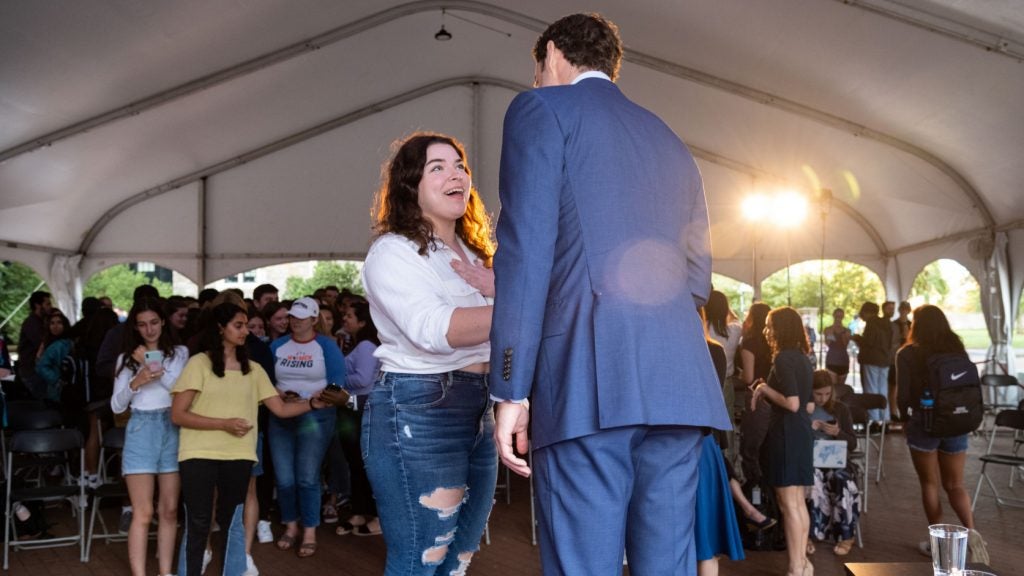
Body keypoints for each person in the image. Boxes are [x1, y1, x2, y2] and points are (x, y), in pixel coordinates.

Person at [487, 13, 730, 574]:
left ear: (551, 55)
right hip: (679, 384)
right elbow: (698, 277)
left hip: (587, 380)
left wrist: (511, 389)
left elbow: (525, 255)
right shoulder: (668, 136)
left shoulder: (540, 110)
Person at [361, 132, 497, 575]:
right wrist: (524, 306)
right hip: (419, 408)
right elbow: (435, 330)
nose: (454, 173)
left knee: (458, 558)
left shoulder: (478, 255)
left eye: (459, 166)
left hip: (480, 405)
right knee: (422, 558)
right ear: (410, 186)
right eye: (436, 167)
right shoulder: (393, 251)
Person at [171, 302, 331, 576]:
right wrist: (224, 424)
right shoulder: (199, 363)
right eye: (239, 325)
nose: (246, 331)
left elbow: (280, 408)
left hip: (239, 455)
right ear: (221, 328)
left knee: (233, 522)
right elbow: (178, 414)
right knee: (199, 522)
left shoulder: (253, 369)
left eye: (246, 325)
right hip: (198, 454)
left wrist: (314, 404)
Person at [896, 304, 989, 564]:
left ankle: (939, 547)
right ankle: (971, 532)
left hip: (924, 424)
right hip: (957, 421)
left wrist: (904, 419)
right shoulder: (955, 348)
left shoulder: (907, 354)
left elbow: (902, 396)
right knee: (956, 484)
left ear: (916, 325)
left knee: (930, 484)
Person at [110, 298, 188, 576]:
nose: (149, 329)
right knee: (142, 512)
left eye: (154, 322)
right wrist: (135, 382)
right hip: (141, 427)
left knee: (168, 511)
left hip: (172, 425)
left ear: (164, 321)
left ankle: (166, 572)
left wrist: (151, 363)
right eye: (142, 324)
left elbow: (180, 391)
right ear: (135, 327)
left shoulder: (179, 352)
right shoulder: (125, 359)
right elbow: (117, 406)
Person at [268, 297, 346, 558]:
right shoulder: (277, 345)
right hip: (282, 414)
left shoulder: (326, 346)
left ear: (314, 320)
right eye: (292, 316)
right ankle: (291, 526)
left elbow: (337, 383)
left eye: (301, 317)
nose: (295, 321)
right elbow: (265, 380)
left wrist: (314, 401)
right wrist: (281, 393)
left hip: (316, 416)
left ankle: (309, 530)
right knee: (284, 477)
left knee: (306, 476)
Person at [750, 306, 814, 576]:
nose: (765, 331)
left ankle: (795, 567)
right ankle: (803, 564)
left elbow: (792, 403)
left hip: (786, 435)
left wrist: (764, 388)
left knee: (789, 506)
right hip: (800, 432)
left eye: (769, 326)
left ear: (781, 329)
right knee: (797, 503)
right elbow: (808, 407)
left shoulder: (784, 360)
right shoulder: (802, 358)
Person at [322, 299, 382, 537]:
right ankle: (359, 511)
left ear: (362, 321)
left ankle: (376, 515)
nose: (344, 319)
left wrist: (335, 381)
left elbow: (363, 379)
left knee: (363, 464)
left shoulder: (366, 345)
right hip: (352, 408)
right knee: (355, 464)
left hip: (360, 408)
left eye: (349, 316)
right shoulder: (359, 344)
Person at [805, 370, 860, 556]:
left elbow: (853, 444)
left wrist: (838, 433)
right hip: (810, 460)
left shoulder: (840, 409)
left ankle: (846, 535)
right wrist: (807, 429)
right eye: (818, 394)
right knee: (812, 481)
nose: (822, 398)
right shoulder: (804, 409)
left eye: (827, 394)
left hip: (836, 459)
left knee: (842, 480)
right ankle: (809, 534)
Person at [852, 301, 892, 423]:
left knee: (871, 389)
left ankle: (873, 420)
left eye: (862, 312)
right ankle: (885, 418)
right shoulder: (885, 323)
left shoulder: (871, 323)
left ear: (868, 312)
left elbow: (868, 342)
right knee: (883, 389)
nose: (861, 315)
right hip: (884, 360)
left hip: (871, 360)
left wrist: (856, 337)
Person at [16, 290, 52, 398]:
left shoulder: (40, 322)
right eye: (48, 304)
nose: (50, 307)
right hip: (31, 371)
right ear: (38, 305)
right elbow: (42, 343)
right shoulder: (32, 323)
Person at [823, 308, 852, 389]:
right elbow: (828, 343)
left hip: (843, 360)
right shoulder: (828, 329)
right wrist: (832, 331)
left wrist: (843, 333)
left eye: (840, 316)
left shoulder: (847, 331)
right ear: (834, 316)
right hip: (832, 359)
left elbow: (845, 344)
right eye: (837, 316)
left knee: (841, 386)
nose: (838, 318)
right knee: (833, 386)